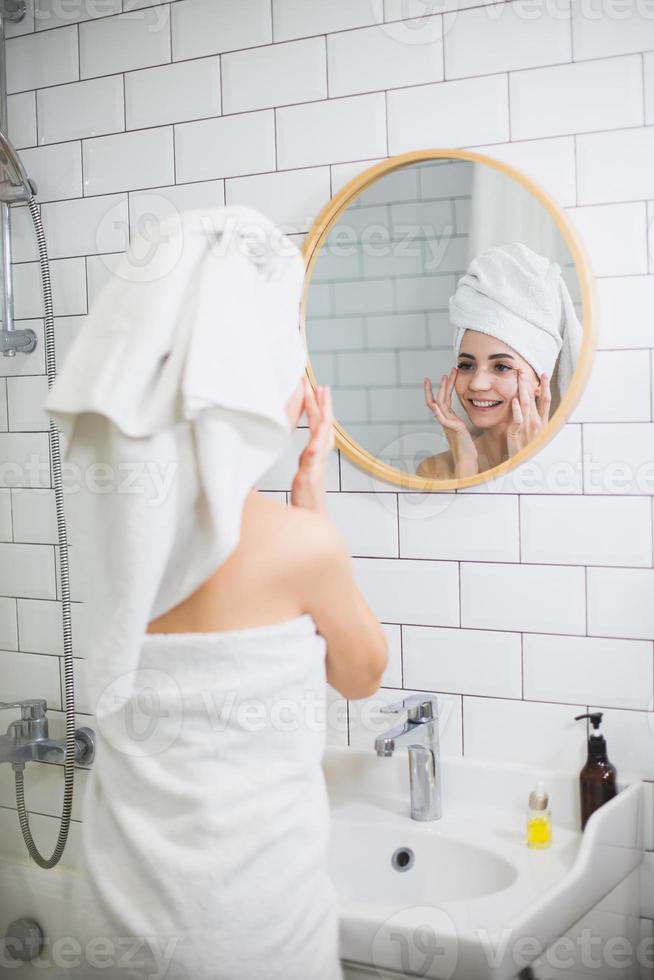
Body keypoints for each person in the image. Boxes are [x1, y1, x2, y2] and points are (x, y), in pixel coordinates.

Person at [44, 205, 387, 980]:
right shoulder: (301, 546)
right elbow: (362, 673)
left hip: (115, 928)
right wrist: (313, 511)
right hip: (255, 938)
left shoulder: (117, 544)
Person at [416, 242, 582, 479]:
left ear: (539, 382)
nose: (477, 384)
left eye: (501, 366)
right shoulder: (436, 471)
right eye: (466, 365)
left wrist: (527, 466)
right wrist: (465, 465)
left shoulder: (573, 469)